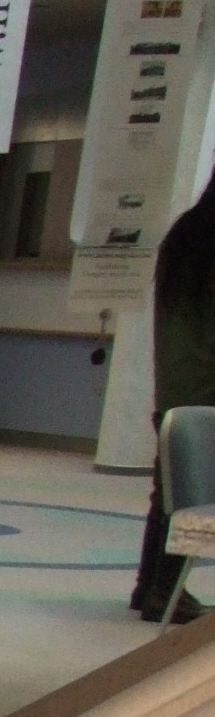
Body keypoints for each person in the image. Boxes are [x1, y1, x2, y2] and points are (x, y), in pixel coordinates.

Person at [132, 174, 215, 623]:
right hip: (206, 389)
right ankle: (166, 591)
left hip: (175, 385)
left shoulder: (185, 235)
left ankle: (150, 586)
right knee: (188, 495)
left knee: (167, 490)